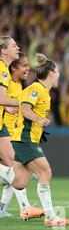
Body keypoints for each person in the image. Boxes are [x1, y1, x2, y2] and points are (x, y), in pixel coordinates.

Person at [12, 53, 69, 227]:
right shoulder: (36, 89)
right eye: (58, 71)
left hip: (24, 139)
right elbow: (24, 108)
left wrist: (38, 125)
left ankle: (29, 208)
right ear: (52, 73)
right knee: (46, 172)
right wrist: (38, 120)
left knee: (19, 182)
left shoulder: (44, 92)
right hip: (24, 139)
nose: (59, 74)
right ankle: (51, 217)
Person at [0, 53, 44, 220]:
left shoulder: (19, 87)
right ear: (14, 68)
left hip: (12, 134)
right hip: (6, 132)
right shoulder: (6, 82)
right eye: (24, 65)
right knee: (15, 170)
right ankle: (25, 208)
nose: (28, 69)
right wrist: (6, 107)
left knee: (13, 173)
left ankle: (3, 209)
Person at [0, 36, 26, 190]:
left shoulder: (4, 70)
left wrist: (5, 107)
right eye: (14, 46)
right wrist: (26, 103)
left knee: (12, 164)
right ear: (3, 50)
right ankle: (26, 208)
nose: (18, 48)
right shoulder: (2, 69)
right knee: (13, 167)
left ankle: (24, 208)